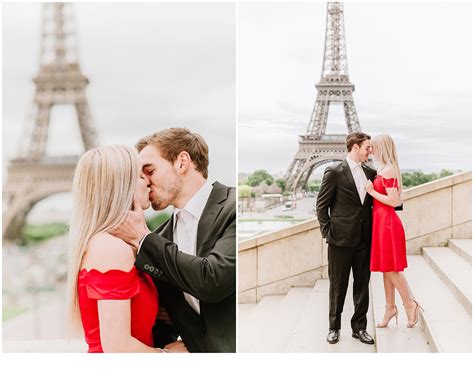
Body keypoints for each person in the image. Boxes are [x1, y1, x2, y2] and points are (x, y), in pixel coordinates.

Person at [110, 128, 236, 353]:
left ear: (182, 162)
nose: (144, 183)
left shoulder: (235, 207)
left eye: (149, 170)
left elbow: (212, 280)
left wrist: (142, 237)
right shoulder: (157, 239)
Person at [67, 145, 187, 353]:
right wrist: (170, 355)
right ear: (122, 186)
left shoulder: (114, 245)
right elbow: (118, 348)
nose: (149, 182)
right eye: (141, 177)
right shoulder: (112, 250)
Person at [316, 132, 377, 345]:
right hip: (339, 240)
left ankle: (359, 328)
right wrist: (328, 234)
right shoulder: (334, 171)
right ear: (354, 147)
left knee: (362, 285)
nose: (370, 151)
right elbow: (321, 206)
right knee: (337, 286)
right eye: (367, 147)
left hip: (364, 239)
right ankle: (334, 327)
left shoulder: (371, 171)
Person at [365, 134, 422, 328]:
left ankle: (409, 304)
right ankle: (390, 308)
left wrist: (371, 191)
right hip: (381, 223)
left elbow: (395, 201)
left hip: (387, 224)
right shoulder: (385, 168)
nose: (370, 150)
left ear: (381, 147)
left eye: (373, 147)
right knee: (385, 267)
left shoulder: (388, 170)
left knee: (391, 268)